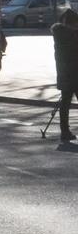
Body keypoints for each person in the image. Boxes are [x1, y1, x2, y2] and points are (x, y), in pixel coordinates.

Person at [51, 8, 78, 142]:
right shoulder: (73, 36)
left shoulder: (59, 36)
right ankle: (65, 132)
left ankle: (65, 131)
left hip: (64, 75)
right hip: (75, 75)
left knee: (65, 105)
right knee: (65, 104)